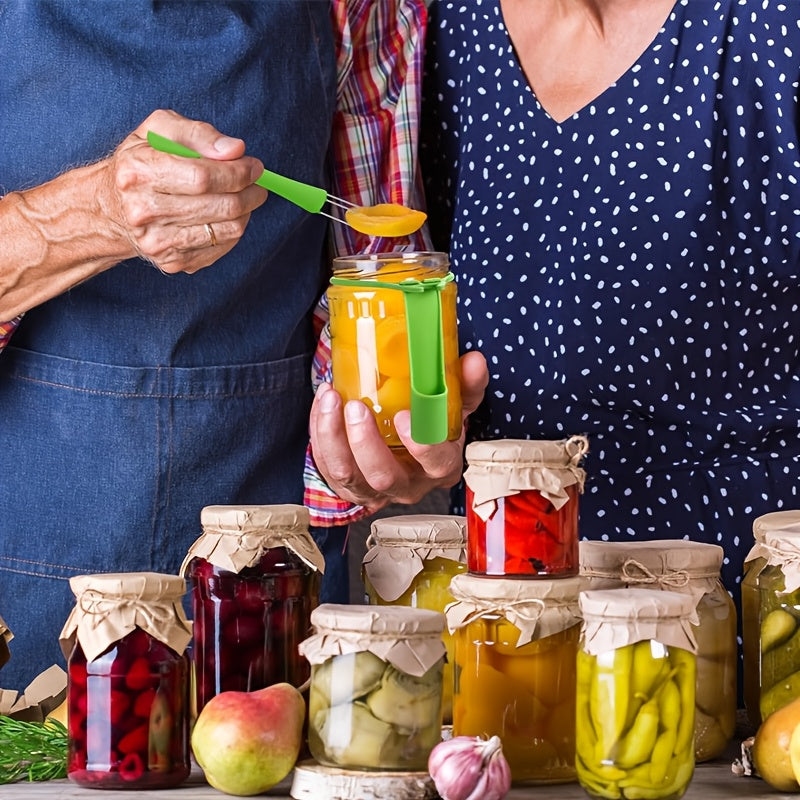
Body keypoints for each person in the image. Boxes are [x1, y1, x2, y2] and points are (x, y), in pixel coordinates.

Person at [0, 0, 462, 691]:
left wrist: (371, 456)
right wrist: (87, 213)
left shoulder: (362, 8)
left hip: (270, 607)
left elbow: (373, 261)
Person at [308, 0, 800, 648]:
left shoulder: (771, 28)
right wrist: (412, 450)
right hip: (507, 651)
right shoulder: (439, 26)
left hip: (750, 651)